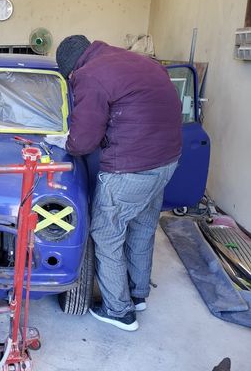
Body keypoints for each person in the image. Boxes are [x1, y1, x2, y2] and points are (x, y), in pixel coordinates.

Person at [56, 35, 182, 331]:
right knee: (142, 228)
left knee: (105, 234)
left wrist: (66, 142)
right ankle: (138, 294)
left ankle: (119, 310)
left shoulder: (89, 75)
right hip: (166, 162)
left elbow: (82, 142)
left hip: (130, 169)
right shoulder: (141, 61)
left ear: (71, 70)